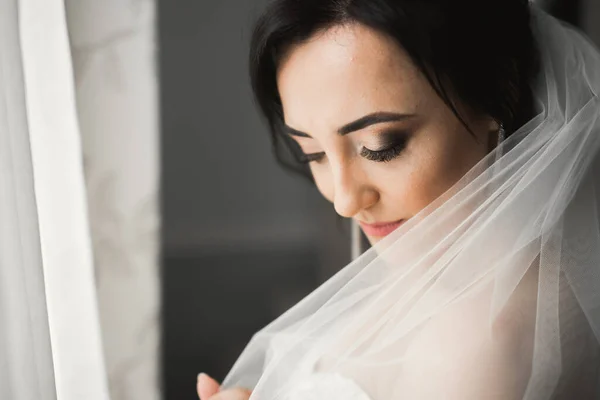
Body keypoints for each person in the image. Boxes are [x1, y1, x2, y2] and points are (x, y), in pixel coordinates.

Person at [197, 0, 600, 398]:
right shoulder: (444, 273)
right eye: (313, 154)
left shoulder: (478, 346)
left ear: (496, 102)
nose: (345, 201)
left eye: (381, 146)